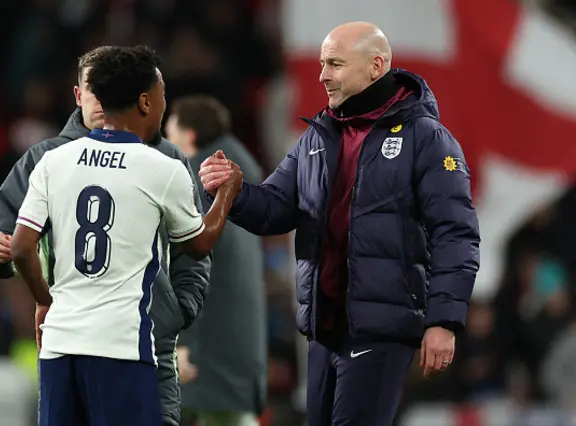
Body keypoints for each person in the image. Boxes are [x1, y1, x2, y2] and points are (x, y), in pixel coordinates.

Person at [200, 22, 480, 426]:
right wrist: (235, 191)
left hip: (379, 328)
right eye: (321, 63)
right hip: (324, 330)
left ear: (375, 66)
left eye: (334, 64)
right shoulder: (317, 137)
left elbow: (456, 233)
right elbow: (277, 206)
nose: (322, 75)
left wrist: (443, 321)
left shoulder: (426, 138)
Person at [9, 45, 243, 426]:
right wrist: (227, 193)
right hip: (121, 346)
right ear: (146, 102)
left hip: (58, 348)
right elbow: (199, 244)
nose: (166, 103)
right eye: (163, 93)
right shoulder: (161, 168)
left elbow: (21, 248)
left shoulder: (52, 162)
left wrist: (43, 300)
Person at [166, 96, 267, 426]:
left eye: (172, 133)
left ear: (190, 137)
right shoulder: (243, 184)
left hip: (206, 350)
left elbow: (193, 267)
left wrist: (183, 343)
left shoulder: (199, 185)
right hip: (239, 346)